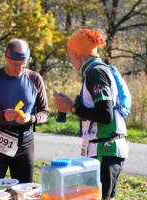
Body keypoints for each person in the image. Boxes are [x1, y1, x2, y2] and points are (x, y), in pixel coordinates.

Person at [54, 29, 129, 200]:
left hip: (106, 150)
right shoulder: (93, 72)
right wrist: (72, 106)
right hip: (101, 149)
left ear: (78, 53)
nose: (69, 58)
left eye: (69, 53)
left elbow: (105, 115)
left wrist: (72, 108)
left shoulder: (96, 73)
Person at [0, 38, 49, 183]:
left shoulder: (35, 79)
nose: (19, 69)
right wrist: (2, 116)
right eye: (14, 64)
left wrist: (31, 118)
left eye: (23, 65)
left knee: (24, 189)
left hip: (25, 140)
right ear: (6, 58)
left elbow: (45, 112)